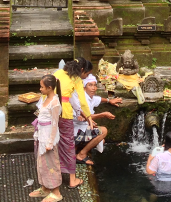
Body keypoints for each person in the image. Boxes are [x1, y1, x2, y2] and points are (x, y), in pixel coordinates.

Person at [53, 58, 95, 189]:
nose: (85, 77)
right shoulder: (76, 79)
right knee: (68, 144)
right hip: (64, 113)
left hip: (51, 112)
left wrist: (80, 113)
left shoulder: (58, 73)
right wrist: (88, 116)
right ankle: (72, 179)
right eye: (86, 75)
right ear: (82, 70)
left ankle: (54, 174)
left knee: (54, 142)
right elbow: (82, 101)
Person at [69, 74, 122, 165]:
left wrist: (109, 101)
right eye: (90, 85)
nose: (93, 88)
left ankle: (77, 147)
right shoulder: (82, 98)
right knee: (103, 131)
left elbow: (98, 99)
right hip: (75, 131)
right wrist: (103, 114)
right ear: (84, 87)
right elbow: (85, 116)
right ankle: (81, 155)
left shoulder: (90, 97)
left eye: (95, 85)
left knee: (101, 141)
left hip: (81, 129)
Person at [29, 75, 62, 201]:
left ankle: (56, 192)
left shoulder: (55, 103)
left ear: (49, 87)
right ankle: (45, 188)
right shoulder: (45, 98)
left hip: (48, 135)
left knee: (52, 163)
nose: (40, 89)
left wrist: (50, 142)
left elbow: (55, 123)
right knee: (42, 163)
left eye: (42, 87)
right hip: (41, 133)